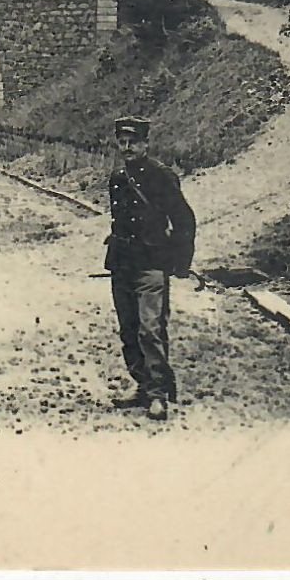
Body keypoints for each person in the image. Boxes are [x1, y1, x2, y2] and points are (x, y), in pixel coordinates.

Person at [105, 115, 196, 422]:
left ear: (145, 143)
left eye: (133, 142)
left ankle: (158, 395)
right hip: (122, 264)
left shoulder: (161, 176)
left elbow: (184, 219)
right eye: (123, 142)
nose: (127, 147)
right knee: (129, 329)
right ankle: (142, 385)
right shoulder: (117, 178)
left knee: (150, 328)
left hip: (151, 265)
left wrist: (180, 263)